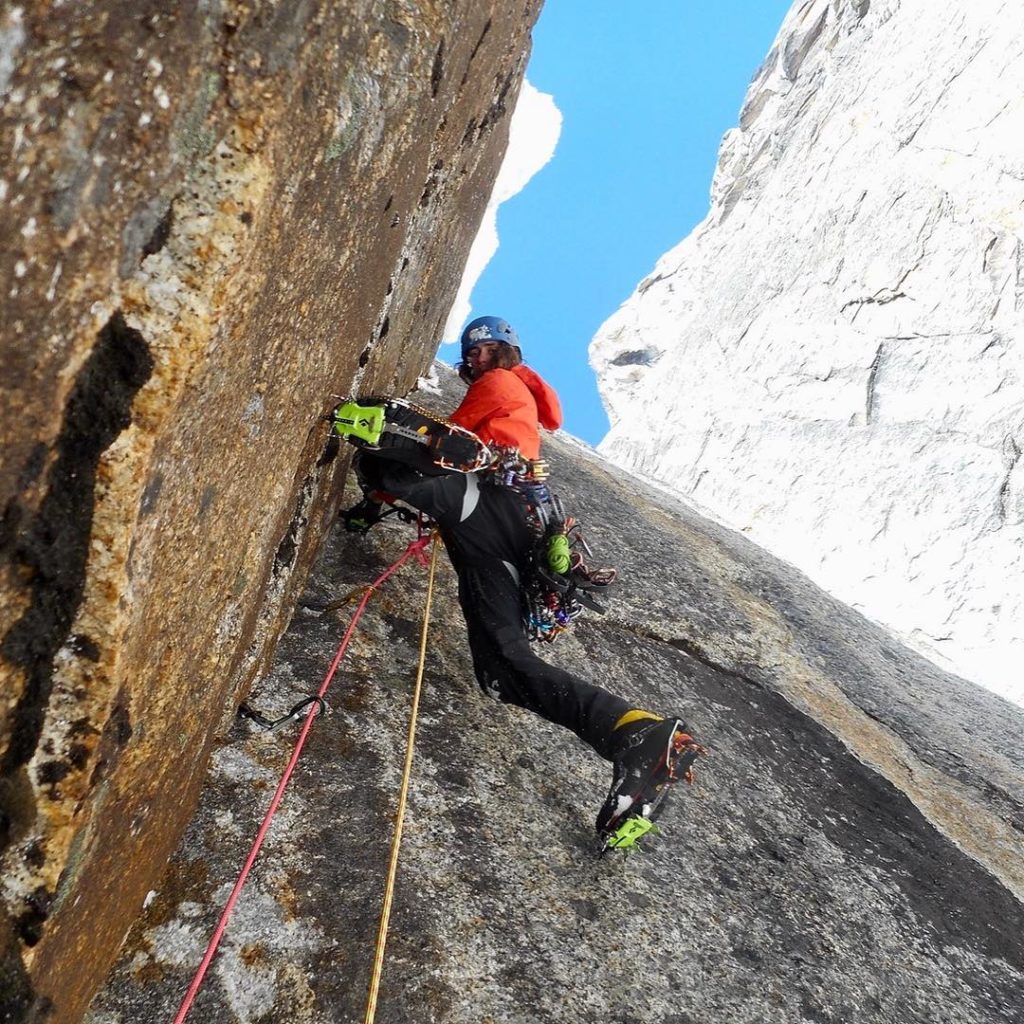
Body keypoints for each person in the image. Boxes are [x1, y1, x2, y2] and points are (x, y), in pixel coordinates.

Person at [341, 315, 705, 840]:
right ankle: (636, 735)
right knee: (503, 669)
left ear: (507, 353)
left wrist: (374, 468)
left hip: (489, 502)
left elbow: (451, 444)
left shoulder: (501, 384)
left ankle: (373, 445)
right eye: (472, 352)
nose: (476, 358)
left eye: (486, 348)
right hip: (500, 541)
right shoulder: (516, 392)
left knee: (388, 464)